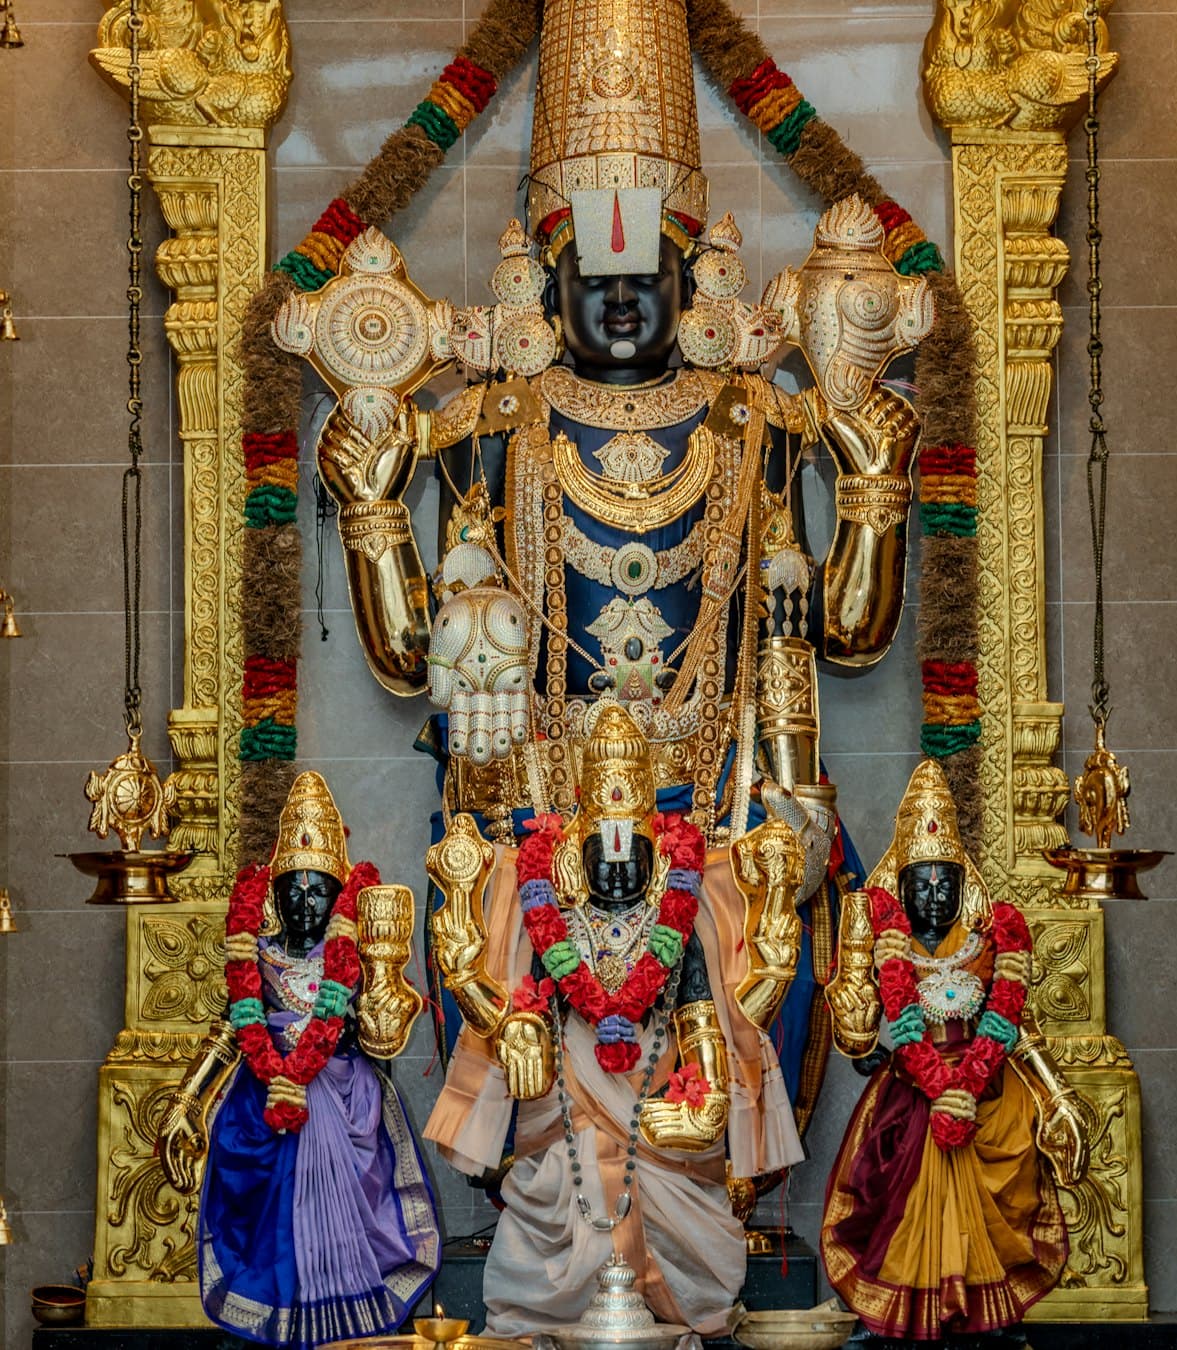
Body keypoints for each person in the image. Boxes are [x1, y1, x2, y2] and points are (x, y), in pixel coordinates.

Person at [309, 0, 927, 1137]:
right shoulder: (489, 431)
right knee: (537, 1106)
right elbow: (413, 664)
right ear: (542, 288)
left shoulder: (761, 426)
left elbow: (846, 637)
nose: (627, 293)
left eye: (654, 266)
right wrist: (371, 508)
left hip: (730, 814)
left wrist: (878, 493)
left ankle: (716, 1238)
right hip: (528, 820)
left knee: (731, 1057)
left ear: (699, 278)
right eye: (592, 273)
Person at [425, 703, 808, 1335]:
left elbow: (700, 1021)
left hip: (657, 1104)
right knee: (564, 1168)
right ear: (578, 847)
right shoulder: (547, 913)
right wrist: (521, 1031)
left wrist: (705, 1102)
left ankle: (658, 1288)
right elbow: (528, 1009)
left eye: (634, 850)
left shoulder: (677, 920)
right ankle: (564, 1300)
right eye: (606, 849)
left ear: (658, 850)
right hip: (567, 1117)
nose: (620, 864)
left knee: (686, 1197)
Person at [157, 771, 440, 1349]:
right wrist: (187, 1100)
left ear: (339, 896)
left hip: (344, 1096)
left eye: (320, 889)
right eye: (295, 888)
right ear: (274, 893)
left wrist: (388, 980)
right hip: (263, 1106)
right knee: (275, 1243)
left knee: (353, 1232)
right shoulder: (252, 953)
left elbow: (384, 1032)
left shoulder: (355, 953)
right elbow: (230, 1028)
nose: (307, 901)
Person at [822, 760, 1089, 1343]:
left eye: (947, 882)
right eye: (923, 883)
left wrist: (1058, 1092)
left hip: (986, 1084)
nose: (936, 895)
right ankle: (894, 1314)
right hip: (911, 1090)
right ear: (901, 883)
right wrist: (858, 1013)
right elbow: (858, 1044)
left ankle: (978, 1312)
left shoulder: (988, 942)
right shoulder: (882, 939)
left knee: (1001, 1195)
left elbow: (1021, 1026)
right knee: (890, 1195)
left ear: (964, 883)